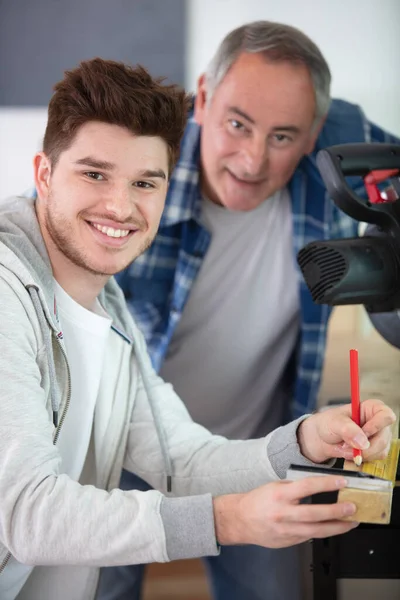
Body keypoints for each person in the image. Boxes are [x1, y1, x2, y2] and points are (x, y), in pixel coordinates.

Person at [0, 57, 395, 600]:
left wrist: (304, 439)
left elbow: (179, 458)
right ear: (44, 174)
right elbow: (27, 513)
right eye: (94, 173)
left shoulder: (106, 307)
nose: (120, 205)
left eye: (145, 182)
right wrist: (227, 520)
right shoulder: (6, 295)